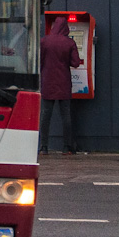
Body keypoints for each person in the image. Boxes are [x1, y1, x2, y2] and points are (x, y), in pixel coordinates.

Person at [39, 16, 82, 154]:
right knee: (66, 116)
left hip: (48, 82)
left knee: (45, 116)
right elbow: (75, 63)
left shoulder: (44, 41)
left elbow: (39, 61)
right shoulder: (69, 43)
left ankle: (44, 147)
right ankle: (66, 147)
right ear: (66, 28)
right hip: (63, 82)